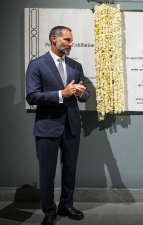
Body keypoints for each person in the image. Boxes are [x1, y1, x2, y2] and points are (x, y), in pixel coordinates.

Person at [26, 26, 89, 225]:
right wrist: (62, 94)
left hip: (71, 126)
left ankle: (66, 205)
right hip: (47, 127)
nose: (71, 44)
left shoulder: (75, 65)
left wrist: (80, 93)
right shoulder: (37, 65)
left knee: (70, 169)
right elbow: (31, 96)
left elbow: (85, 94)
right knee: (47, 172)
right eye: (67, 40)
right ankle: (49, 211)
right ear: (54, 39)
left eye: (71, 40)